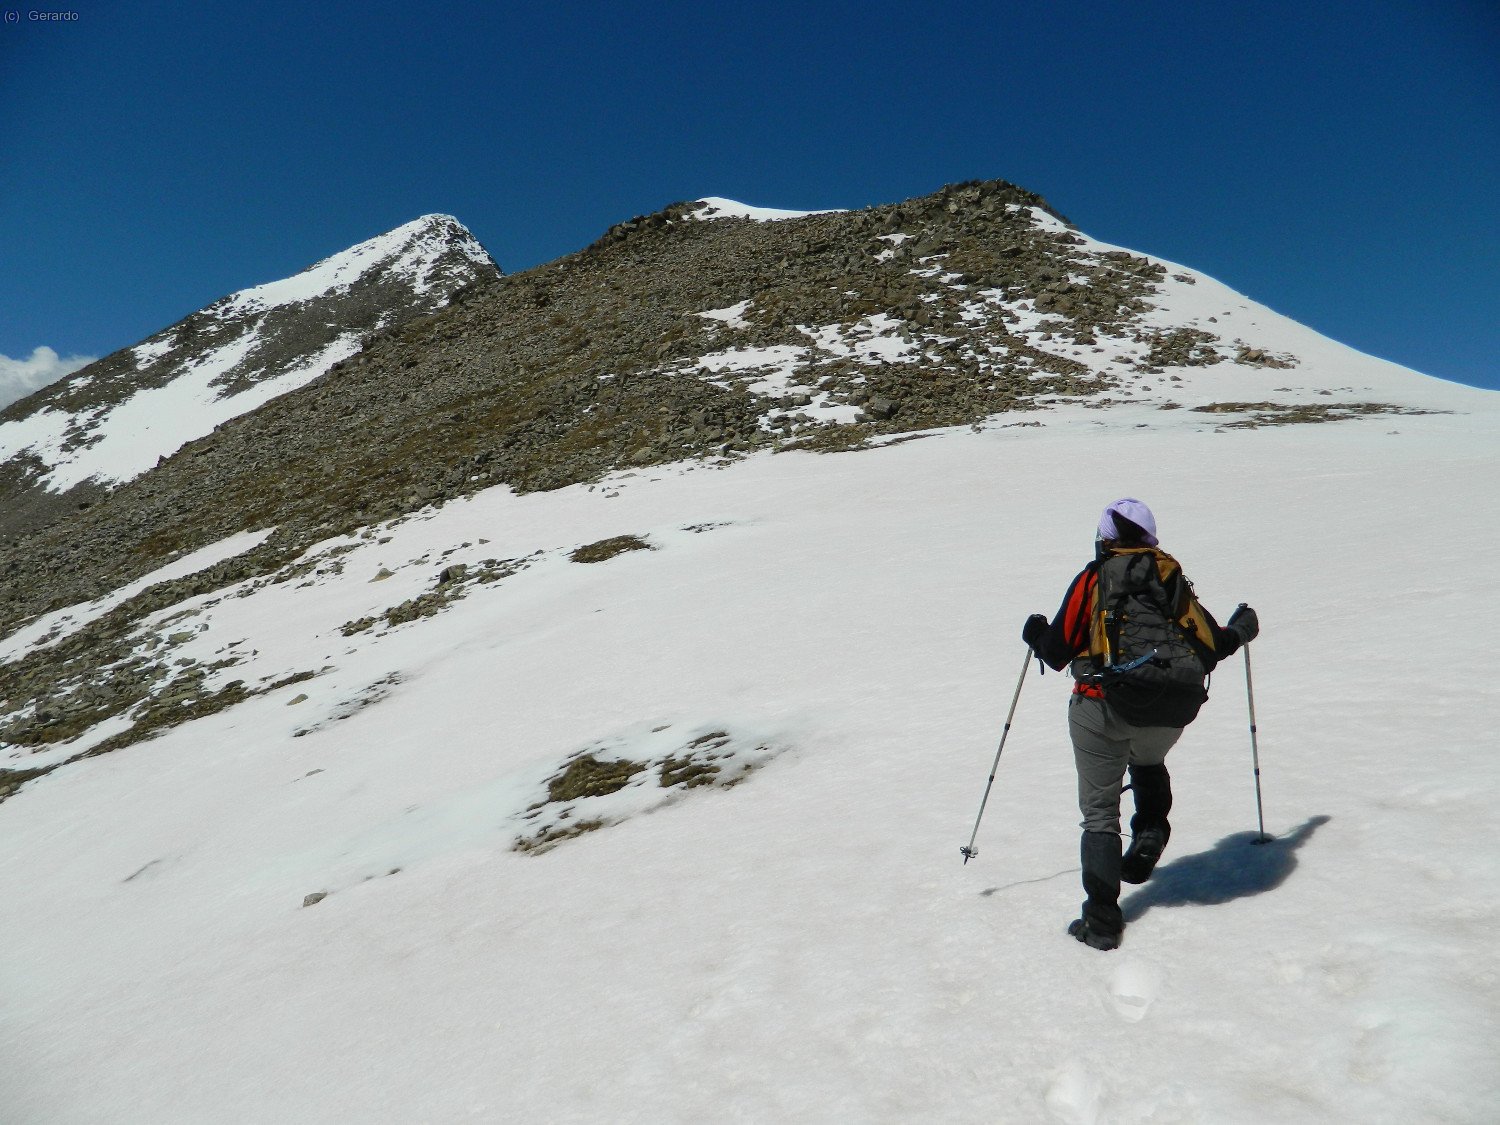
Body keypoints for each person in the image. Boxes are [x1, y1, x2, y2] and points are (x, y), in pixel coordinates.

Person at [1021, 498, 1258, 951]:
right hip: (1170, 712)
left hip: (1101, 709)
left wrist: (1034, 631)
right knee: (1148, 760)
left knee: (1099, 813)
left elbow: (1056, 651)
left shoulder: (1094, 578)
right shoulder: (1169, 576)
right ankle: (1151, 828)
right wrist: (1242, 628)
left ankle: (1102, 921)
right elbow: (1212, 645)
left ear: (1105, 538)